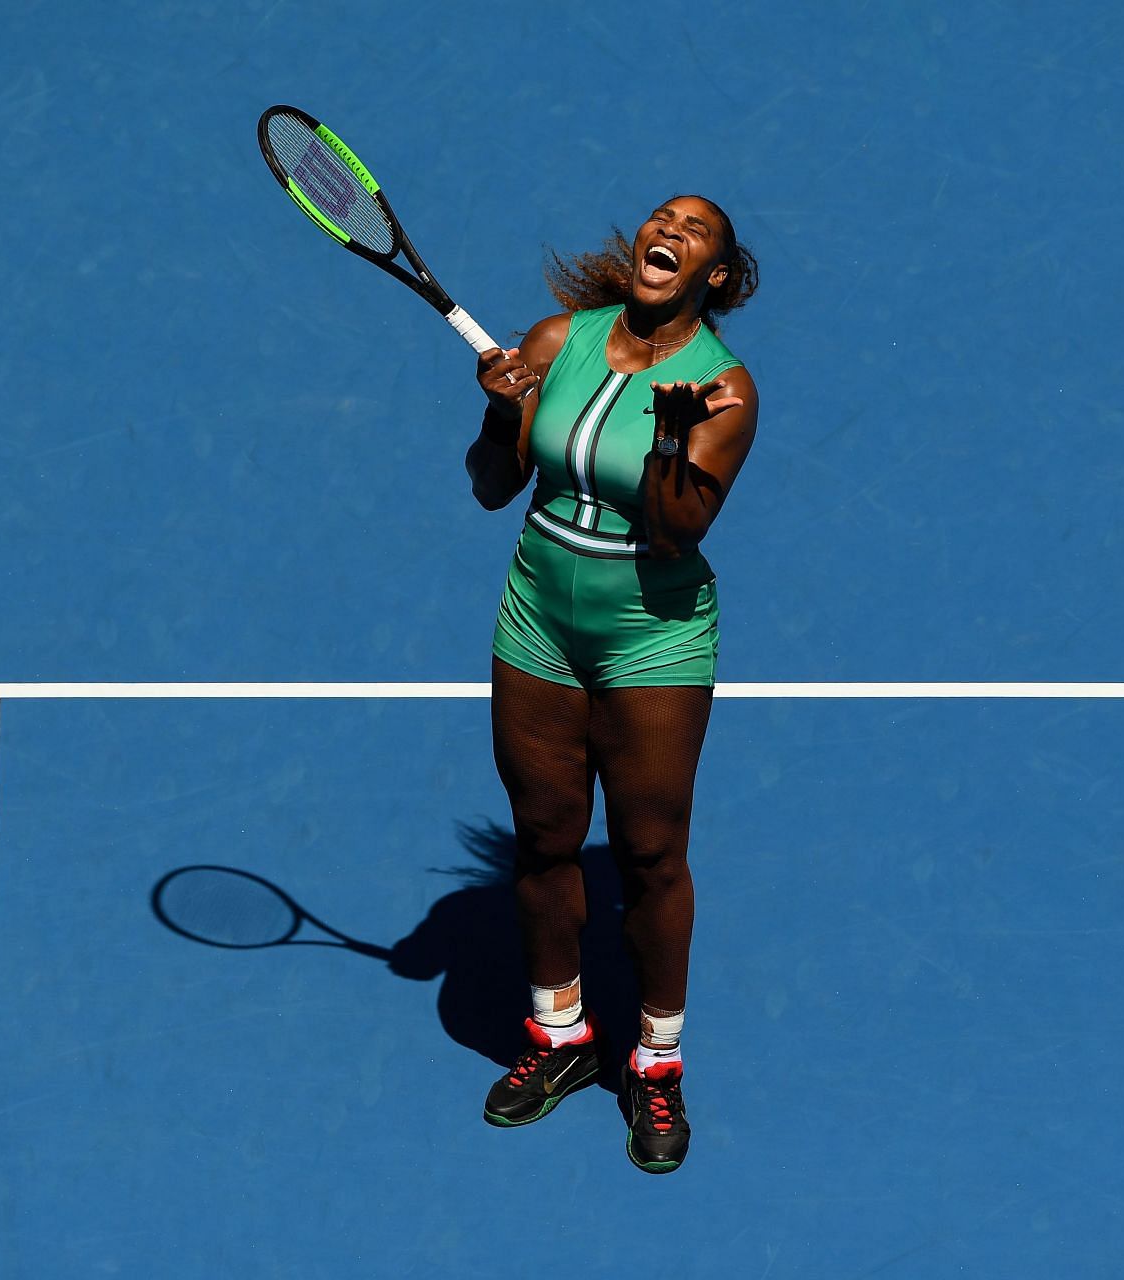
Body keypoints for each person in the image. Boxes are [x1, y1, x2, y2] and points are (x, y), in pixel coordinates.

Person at [464, 195, 759, 1173]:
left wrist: (672, 435)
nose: (667, 230)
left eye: (696, 230)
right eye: (660, 217)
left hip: (652, 637)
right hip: (537, 617)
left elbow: (678, 529)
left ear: (712, 273)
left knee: (649, 852)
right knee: (546, 834)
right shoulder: (560, 339)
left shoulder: (723, 389)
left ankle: (657, 1062)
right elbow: (492, 485)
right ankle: (559, 1036)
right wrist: (505, 407)